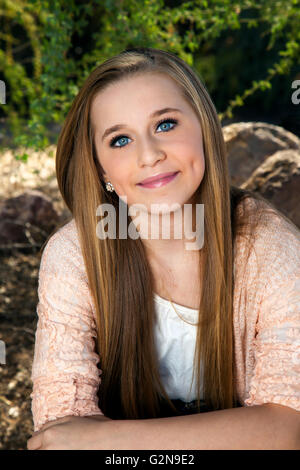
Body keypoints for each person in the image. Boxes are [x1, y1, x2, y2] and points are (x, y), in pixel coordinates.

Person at [27, 47, 300, 450]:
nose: (150, 155)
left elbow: (289, 427)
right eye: (120, 139)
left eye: (166, 124)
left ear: (206, 128)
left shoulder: (269, 247)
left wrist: (110, 441)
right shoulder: (75, 255)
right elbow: (59, 428)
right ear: (102, 169)